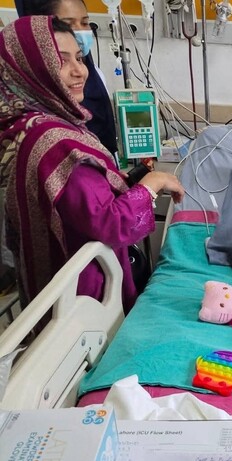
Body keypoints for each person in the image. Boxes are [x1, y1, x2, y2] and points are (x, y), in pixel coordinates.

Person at [0, 16, 184, 313]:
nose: (79, 71)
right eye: (61, 61)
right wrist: (153, 184)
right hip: (86, 298)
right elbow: (111, 224)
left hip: (53, 286)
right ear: (29, 69)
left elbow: (72, 199)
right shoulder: (56, 142)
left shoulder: (26, 127)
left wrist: (115, 181)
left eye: (79, 57)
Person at [17, 0, 119, 156]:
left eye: (85, 23)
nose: (79, 72)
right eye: (67, 24)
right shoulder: (43, 132)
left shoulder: (93, 73)